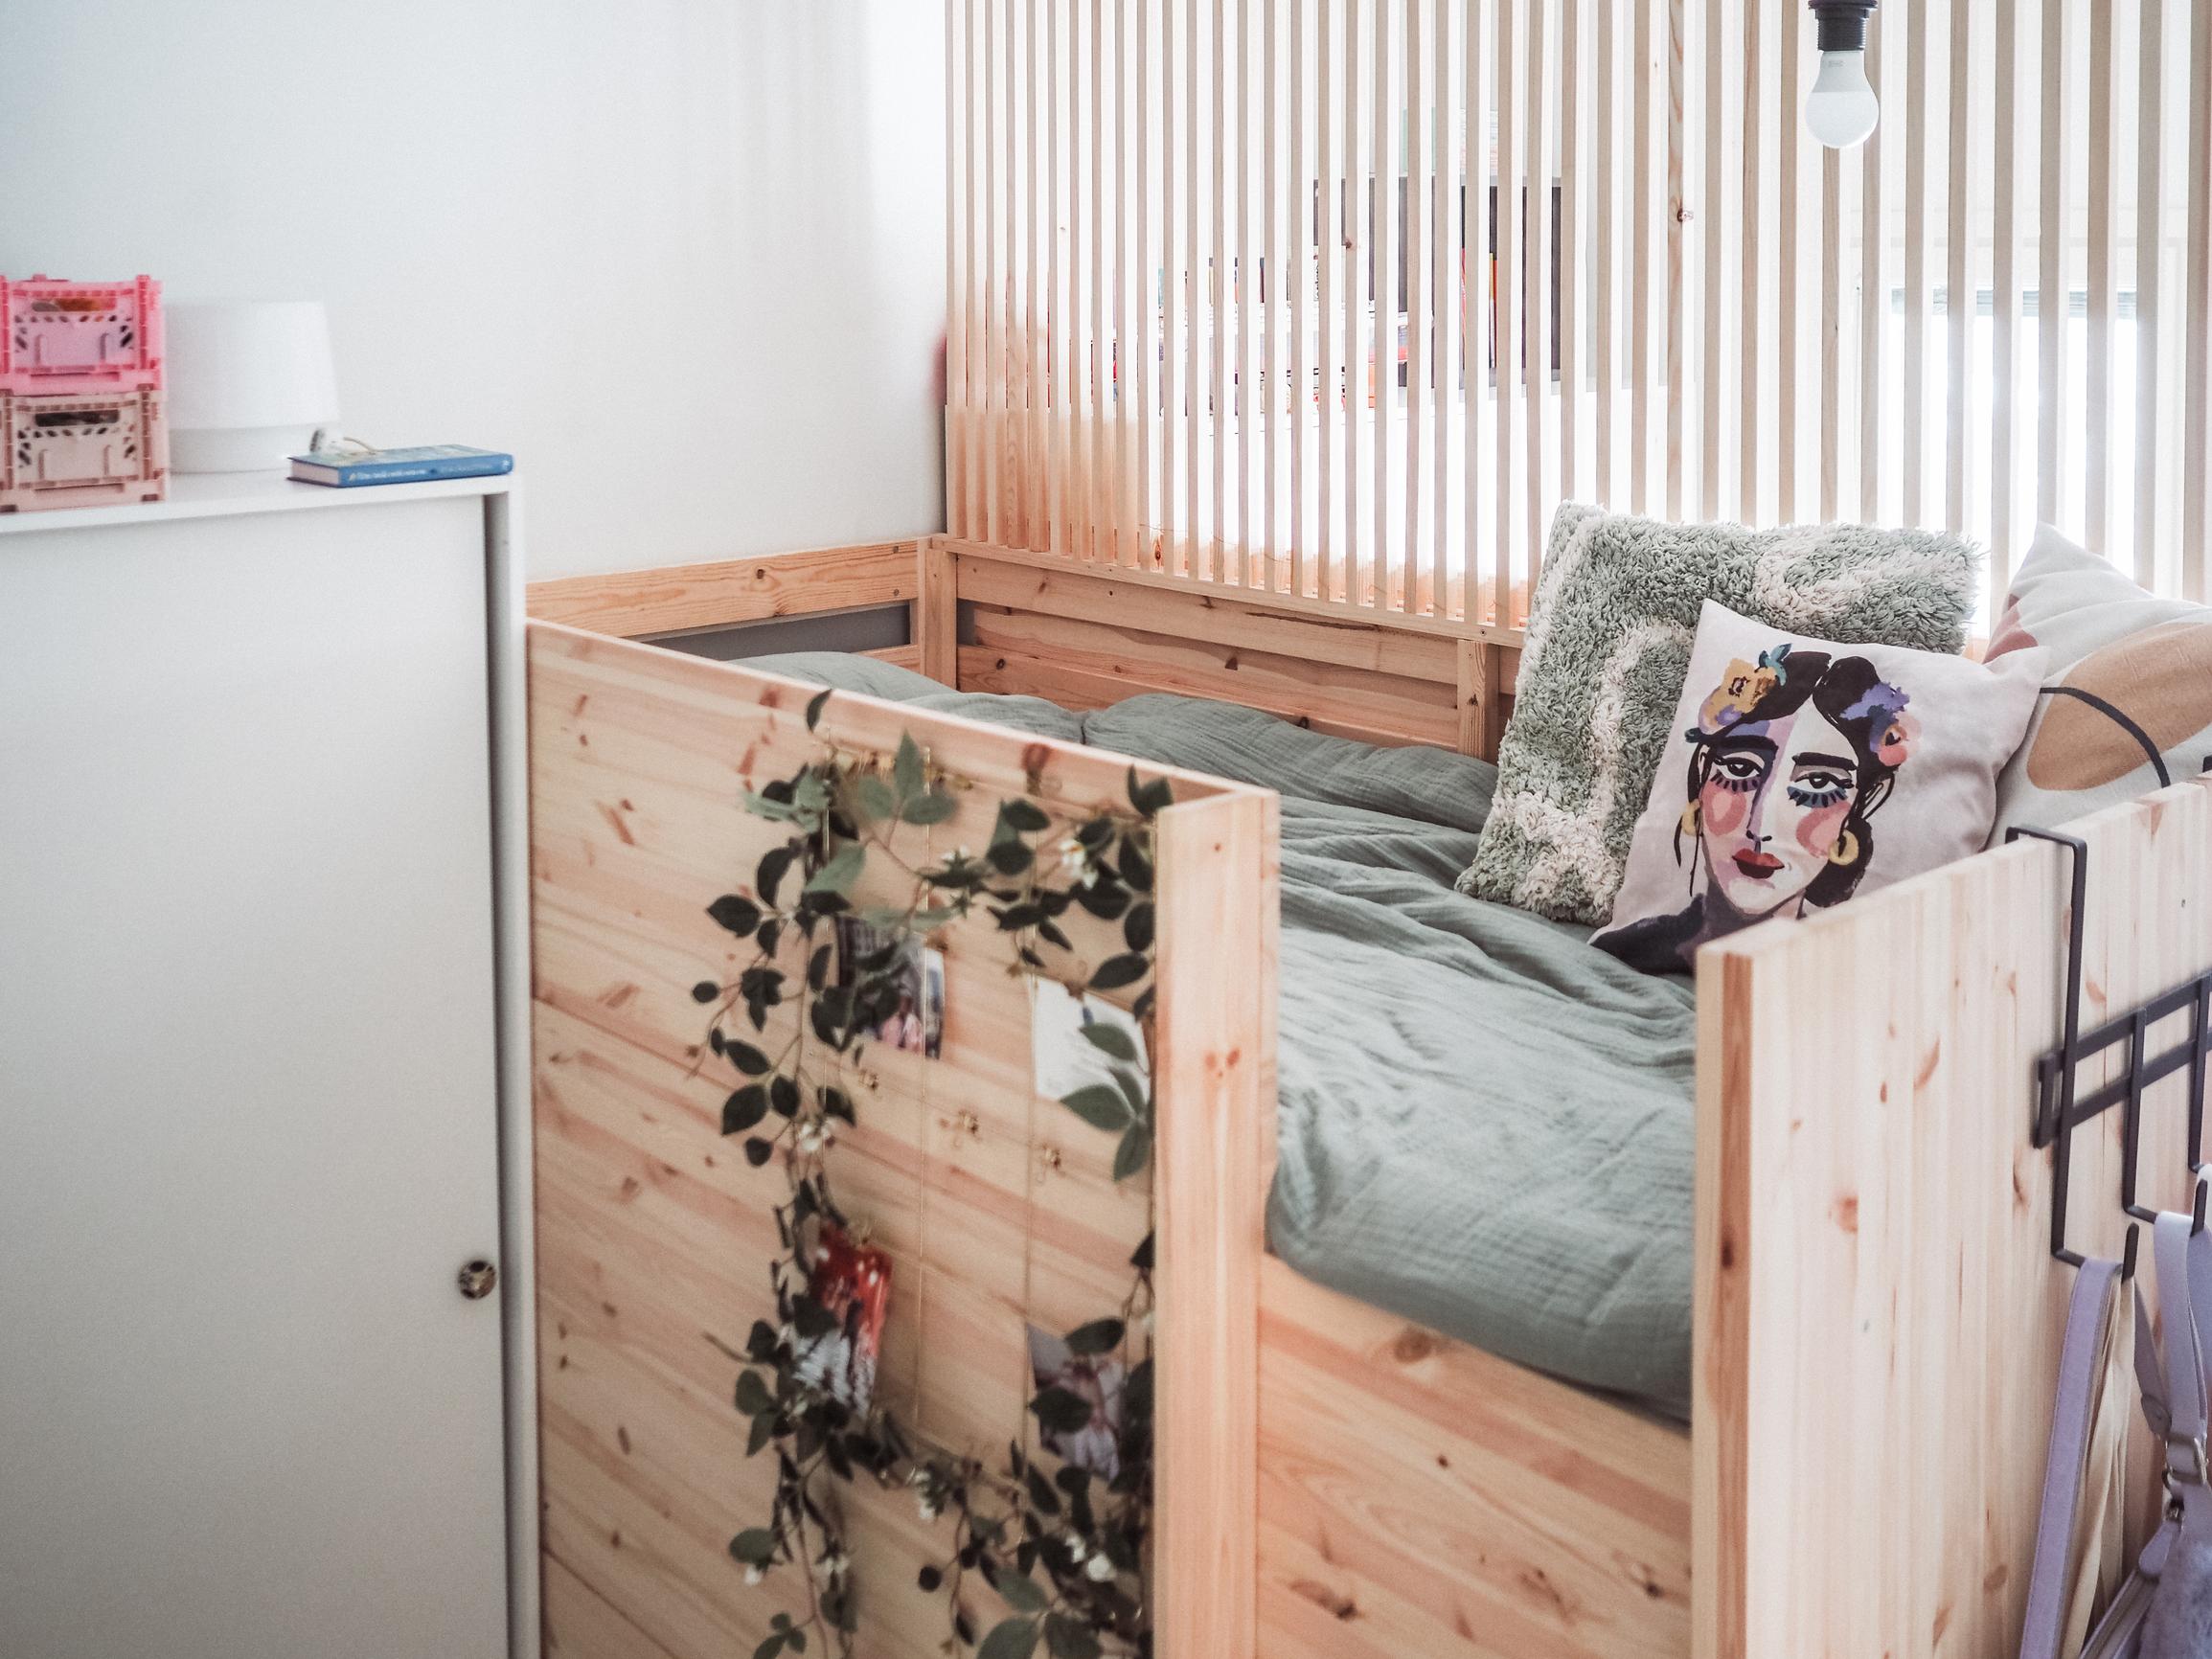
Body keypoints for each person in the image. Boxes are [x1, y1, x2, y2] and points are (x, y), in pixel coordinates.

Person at [1596, 643, 1915, 974]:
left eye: (1818, 785)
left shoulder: (1853, 979)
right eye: (1738, 770)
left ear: (1861, 803)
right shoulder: (1626, 944)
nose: (1760, 827)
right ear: (1703, 775)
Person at [877, 986, 926, 1054]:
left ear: (910, 1004)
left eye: (907, 1002)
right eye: (901, 1002)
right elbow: (881, 1044)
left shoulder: (917, 1025)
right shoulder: (889, 1022)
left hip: (907, 1061)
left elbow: (920, 1051)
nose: (903, 1005)